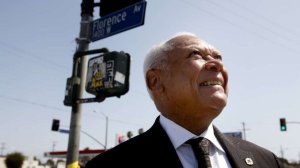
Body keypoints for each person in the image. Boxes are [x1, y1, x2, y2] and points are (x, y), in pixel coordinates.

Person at [85, 32, 282, 168]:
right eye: (196, 55)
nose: (216, 65)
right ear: (155, 81)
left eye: (219, 57)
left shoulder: (266, 160)